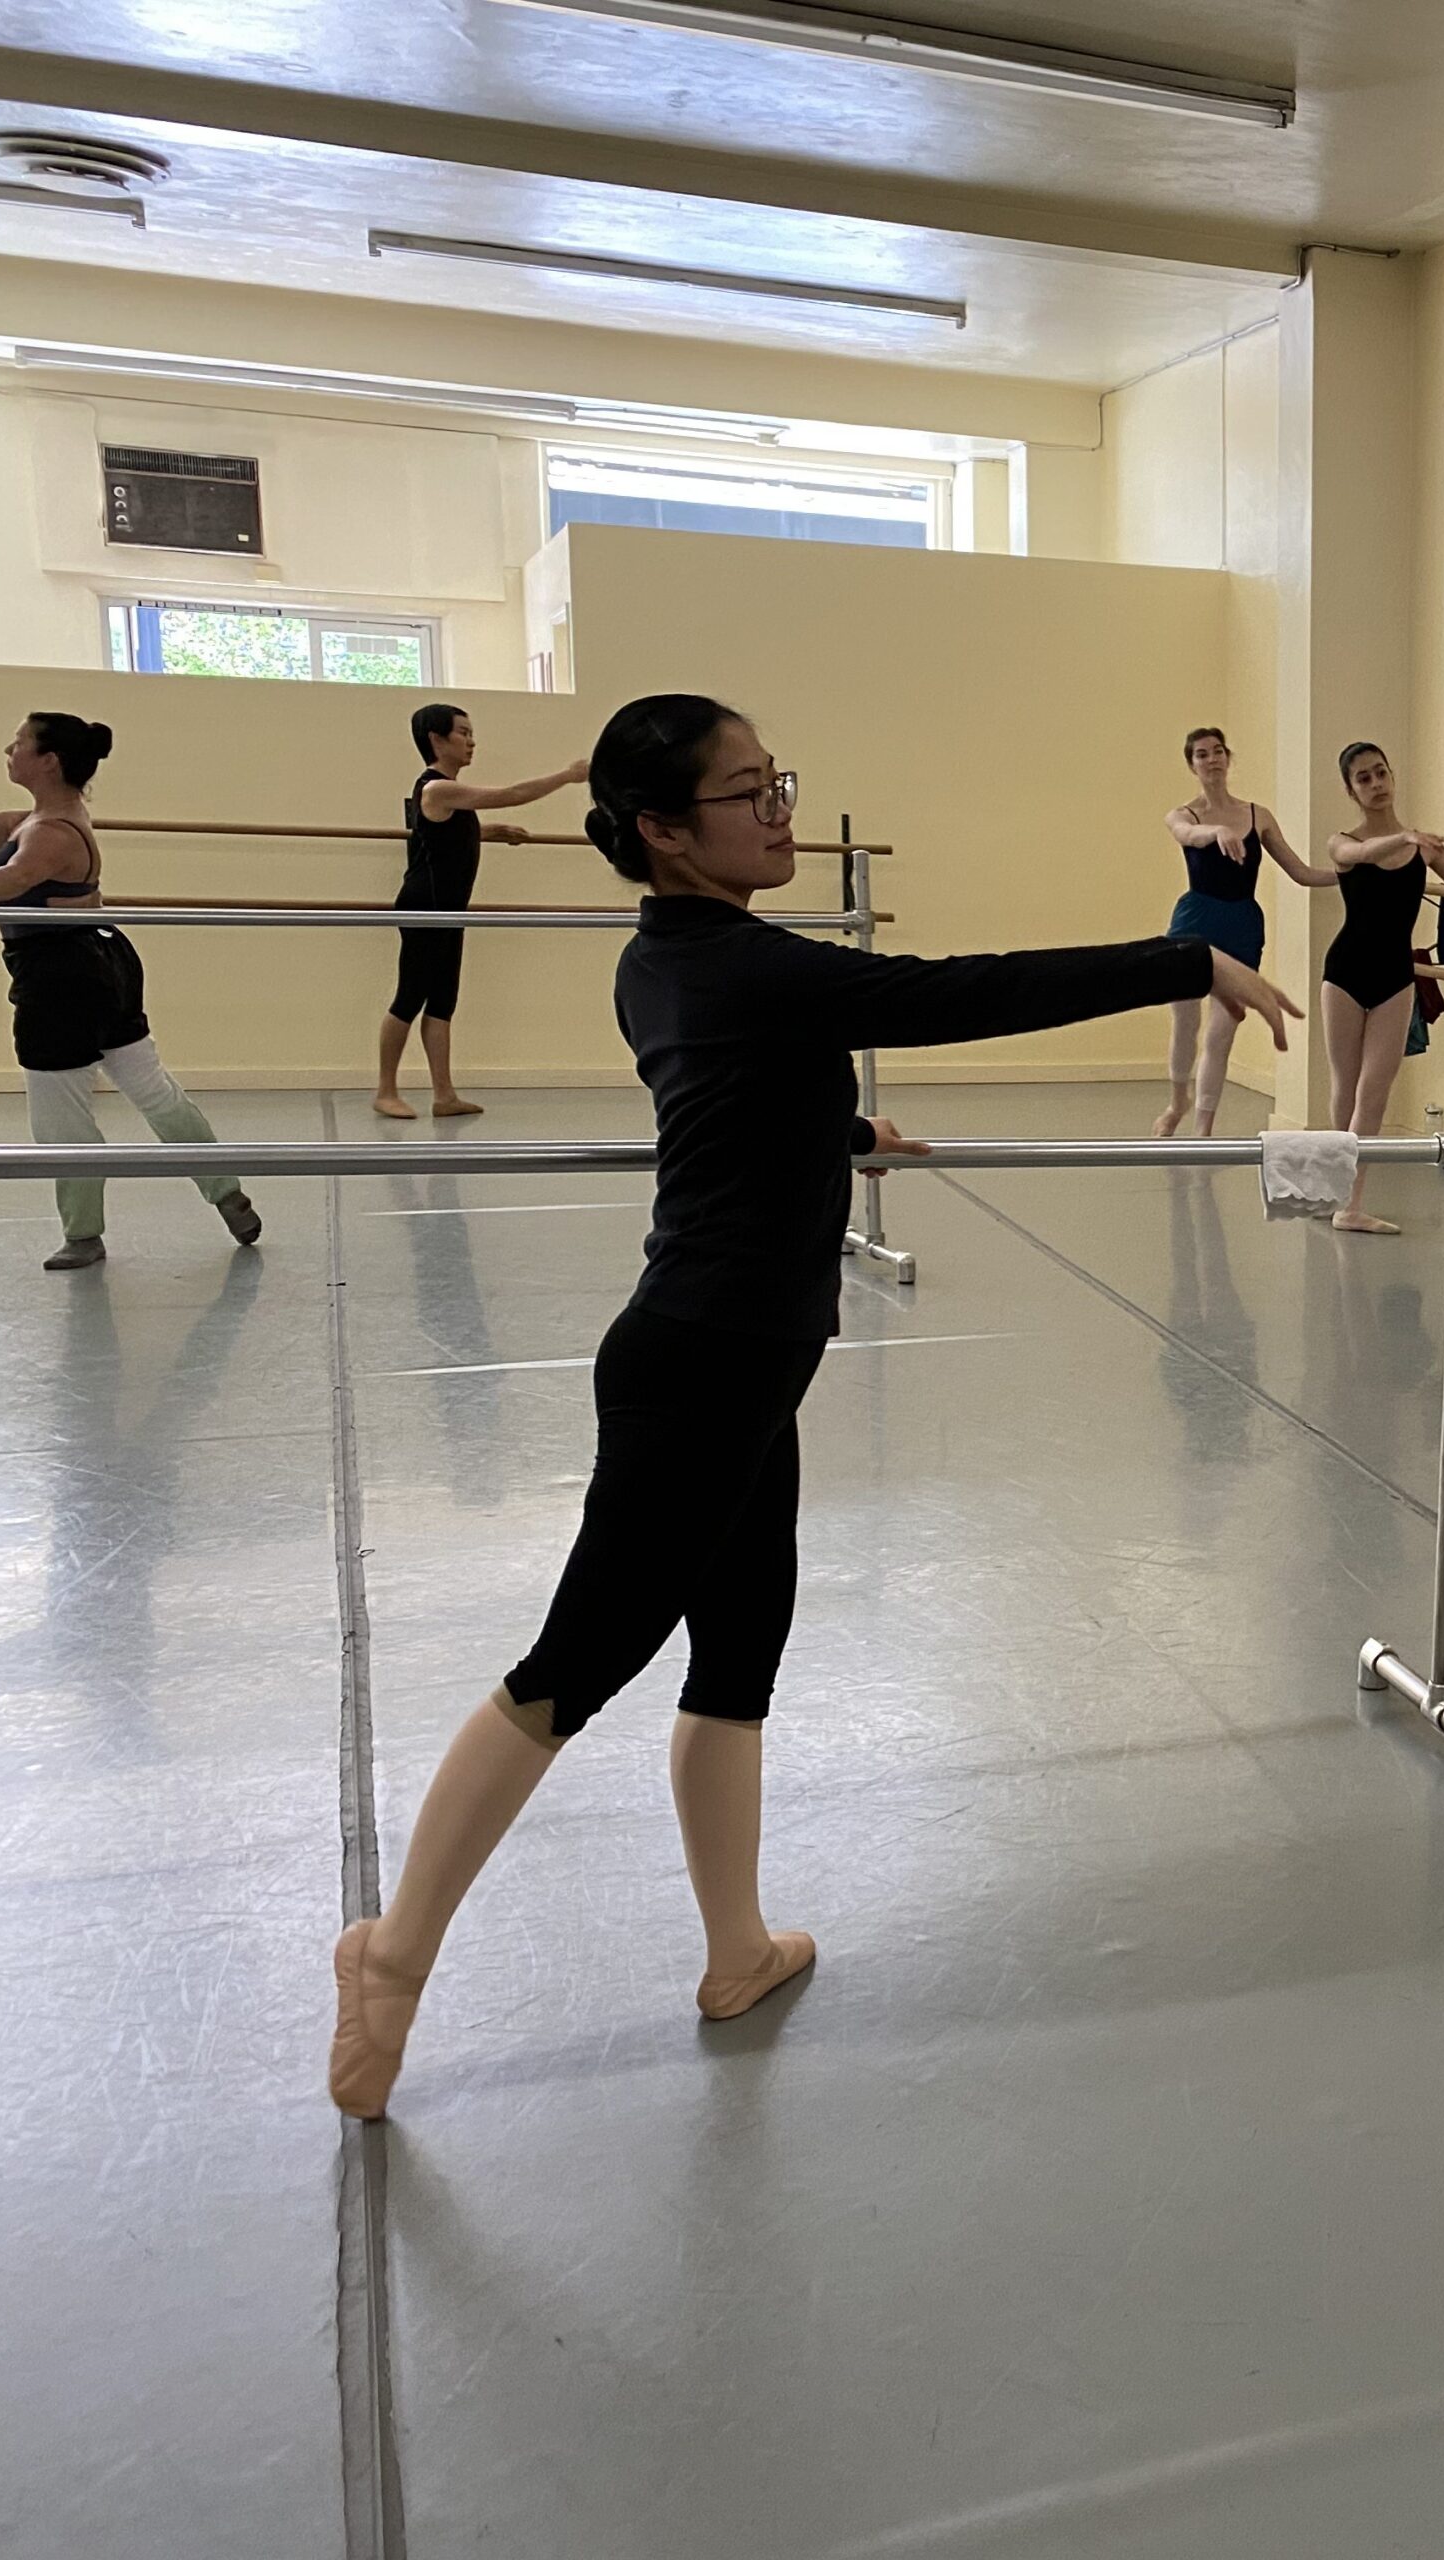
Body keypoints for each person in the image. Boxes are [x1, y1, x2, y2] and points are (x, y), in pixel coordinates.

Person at [328, 693, 1298, 2119]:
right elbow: (954, 993)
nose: (779, 808)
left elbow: (723, 1089)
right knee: (573, 1664)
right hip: (701, 1362)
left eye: (775, 780)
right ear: (663, 830)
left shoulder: (671, 960)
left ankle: (736, 1954)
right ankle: (392, 1958)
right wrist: (1179, 959)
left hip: (743, 1359)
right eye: (745, 792)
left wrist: (840, 1129)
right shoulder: (745, 964)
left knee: (740, 1652)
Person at [0, 711, 261, 1272]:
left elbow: (19, 874)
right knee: (152, 1090)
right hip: (103, 963)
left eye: (19, 742)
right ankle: (226, 1192)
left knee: (59, 1114)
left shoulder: (48, 833)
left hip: (60, 980)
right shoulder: (48, 816)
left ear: (48, 760)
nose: (9, 748)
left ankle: (83, 1235)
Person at [375, 703, 589, 1120]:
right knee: (409, 997)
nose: (471, 741)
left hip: (448, 909)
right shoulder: (436, 788)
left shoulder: (448, 795)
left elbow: (440, 836)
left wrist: (490, 833)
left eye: (472, 732)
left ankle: (444, 1094)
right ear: (436, 740)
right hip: (425, 908)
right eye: (462, 732)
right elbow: (509, 795)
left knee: (442, 1001)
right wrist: (567, 775)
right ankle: (385, 1090)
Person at [1321, 741, 1444, 1233]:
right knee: (1345, 1087)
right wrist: (1406, 837)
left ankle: (1351, 1204)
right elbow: (1360, 852)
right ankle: (1339, 1190)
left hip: (1396, 977)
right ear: (1351, 790)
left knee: (1374, 1093)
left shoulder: (1421, 848)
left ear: (1392, 775)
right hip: (1345, 974)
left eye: (1380, 773)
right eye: (1364, 779)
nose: (1376, 784)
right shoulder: (1343, 842)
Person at [1155, 725, 1336, 1137]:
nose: (1212, 759)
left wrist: (1353, 875)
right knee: (1185, 1023)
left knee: (1221, 1032)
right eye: (1202, 754)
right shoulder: (1184, 815)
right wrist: (1216, 832)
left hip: (1241, 925)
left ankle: (1203, 1129)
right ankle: (1177, 1100)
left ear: (1227, 758)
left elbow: (1301, 872)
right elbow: (1187, 835)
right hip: (1195, 921)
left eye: (1218, 751)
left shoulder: (1258, 816)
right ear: (1192, 765)